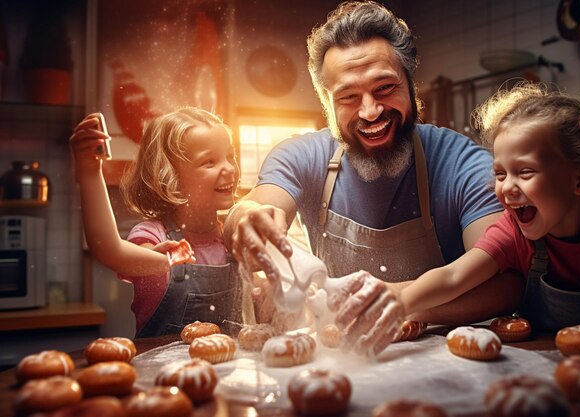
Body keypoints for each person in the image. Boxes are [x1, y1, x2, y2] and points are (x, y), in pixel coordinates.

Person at [224, 0, 523, 332]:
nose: (370, 111)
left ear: (411, 84)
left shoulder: (463, 163)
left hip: (448, 363)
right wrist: (245, 216)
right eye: (349, 97)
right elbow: (258, 205)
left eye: (385, 88)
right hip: (343, 362)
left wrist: (397, 305)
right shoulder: (300, 156)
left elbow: (504, 285)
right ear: (327, 103)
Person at [334, 82, 580, 355]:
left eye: (525, 172)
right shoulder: (512, 234)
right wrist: (399, 304)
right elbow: (452, 276)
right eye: (500, 174)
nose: (507, 187)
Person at [71, 108, 244, 337]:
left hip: (229, 372)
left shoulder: (233, 236)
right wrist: (90, 171)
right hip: (164, 372)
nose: (230, 168)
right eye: (209, 162)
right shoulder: (154, 237)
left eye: (230, 156)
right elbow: (109, 249)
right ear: (170, 177)